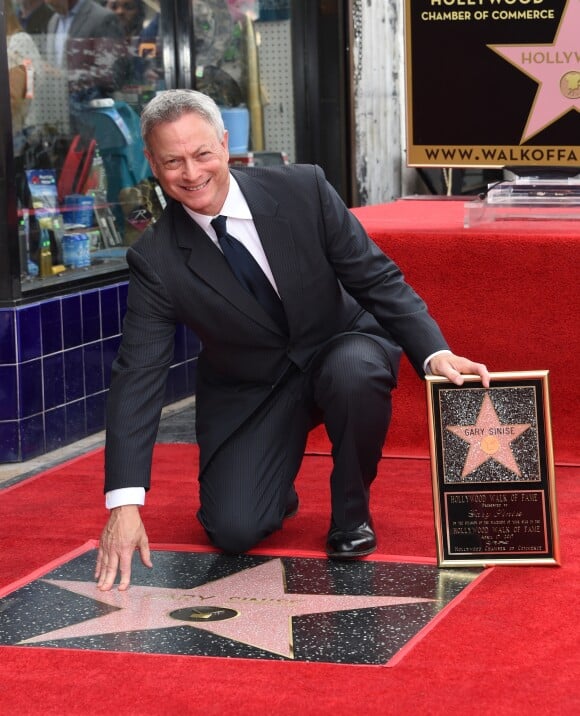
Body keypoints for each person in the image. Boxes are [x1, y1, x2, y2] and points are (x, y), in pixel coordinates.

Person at [95, 89, 490, 592]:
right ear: (151, 163)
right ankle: (274, 484)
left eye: (202, 154)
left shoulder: (303, 188)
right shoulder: (155, 259)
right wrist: (124, 504)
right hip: (251, 388)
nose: (191, 174)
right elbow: (139, 374)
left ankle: (351, 513)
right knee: (234, 530)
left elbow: (375, 278)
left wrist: (434, 352)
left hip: (338, 346)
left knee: (354, 371)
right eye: (172, 161)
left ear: (225, 143)